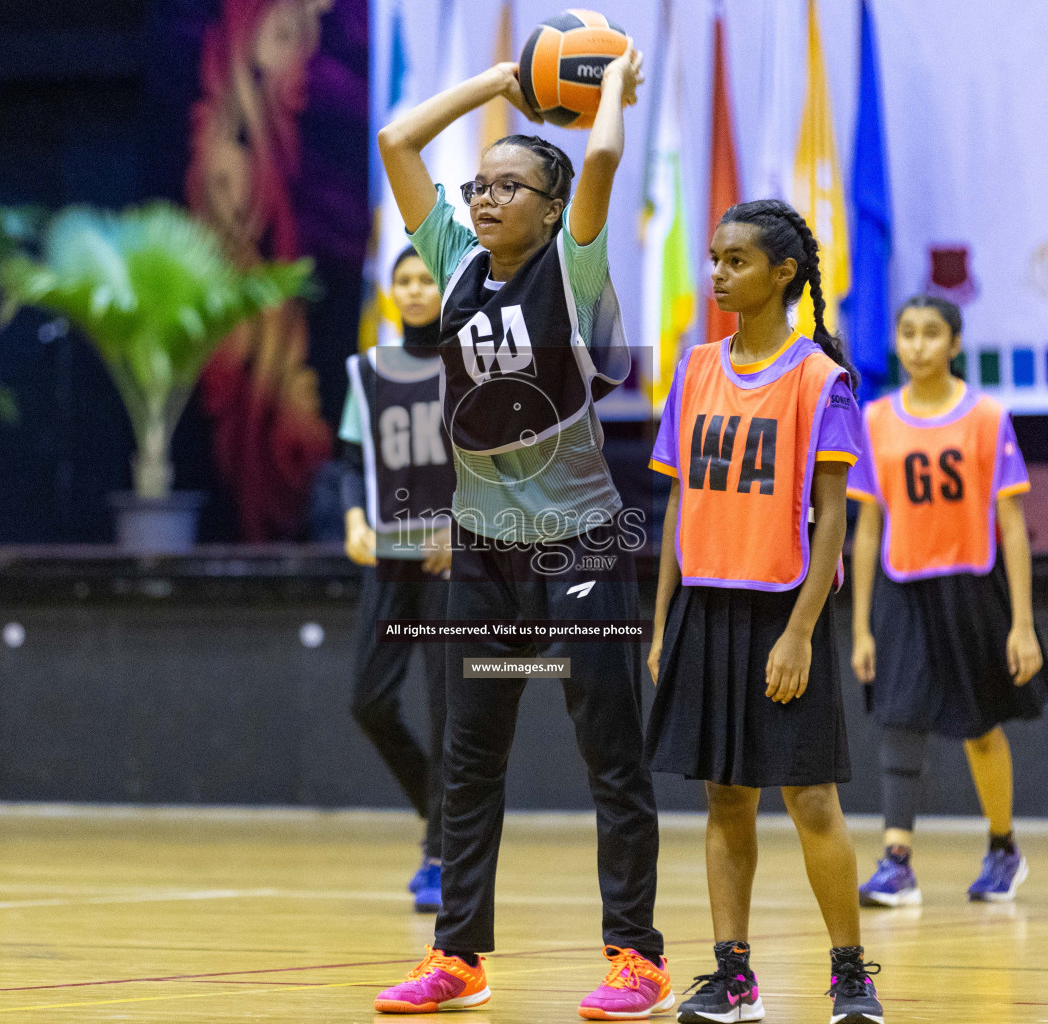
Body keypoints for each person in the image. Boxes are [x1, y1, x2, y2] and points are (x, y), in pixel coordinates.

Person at [372, 47, 674, 1021]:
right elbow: (395, 138)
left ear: (550, 209)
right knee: (471, 753)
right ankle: (459, 956)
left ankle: (638, 956)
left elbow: (605, 164)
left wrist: (613, 91)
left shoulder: (571, 264)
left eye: (514, 185)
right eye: (483, 183)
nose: (491, 196)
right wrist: (500, 84)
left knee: (610, 752)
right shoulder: (456, 259)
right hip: (485, 552)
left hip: (580, 547)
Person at [646, 200, 885, 1024]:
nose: (717, 273)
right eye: (714, 258)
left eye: (736, 260)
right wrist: (661, 620)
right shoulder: (695, 367)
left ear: (783, 273)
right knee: (725, 799)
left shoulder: (821, 381)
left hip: (781, 612)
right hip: (705, 612)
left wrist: (800, 632)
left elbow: (833, 521)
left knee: (811, 799)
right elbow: (680, 502)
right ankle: (733, 975)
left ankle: (851, 975)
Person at [847, 295, 1048, 908]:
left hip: (972, 588)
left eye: (931, 334)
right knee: (899, 719)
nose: (917, 345)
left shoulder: (987, 417)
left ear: (955, 344)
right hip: (901, 589)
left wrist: (1022, 623)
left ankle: (1002, 848)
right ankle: (896, 861)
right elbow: (865, 529)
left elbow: (1011, 524)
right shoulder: (877, 419)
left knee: (981, 730)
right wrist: (859, 626)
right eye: (907, 333)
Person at [339, 246, 455, 913]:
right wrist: (354, 518)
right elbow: (353, 460)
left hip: (450, 561)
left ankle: (441, 854)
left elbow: (498, 461)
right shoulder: (369, 372)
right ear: (391, 293)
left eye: (426, 279)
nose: (415, 290)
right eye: (404, 281)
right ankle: (442, 819)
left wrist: (462, 523)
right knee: (369, 702)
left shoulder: (471, 367)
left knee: (448, 713)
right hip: (389, 556)